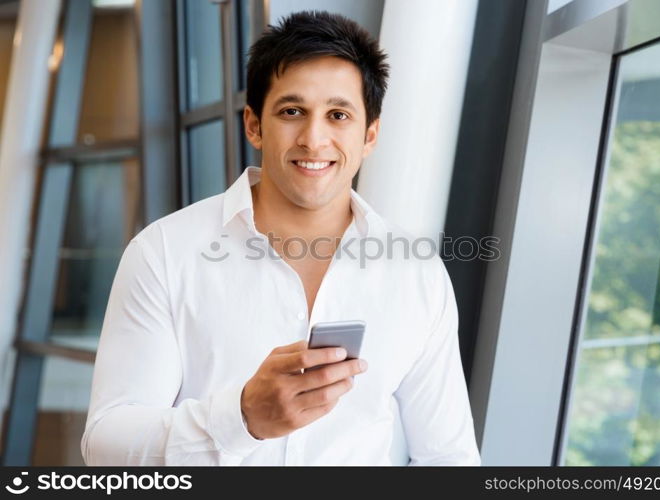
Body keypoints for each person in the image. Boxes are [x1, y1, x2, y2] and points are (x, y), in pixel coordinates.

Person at [81, 10, 480, 466]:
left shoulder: (416, 274)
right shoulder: (164, 253)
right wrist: (242, 417)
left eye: (338, 115)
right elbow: (105, 447)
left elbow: (448, 457)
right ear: (254, 125)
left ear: (369, 135)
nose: (314, 139)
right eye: (293, 112)